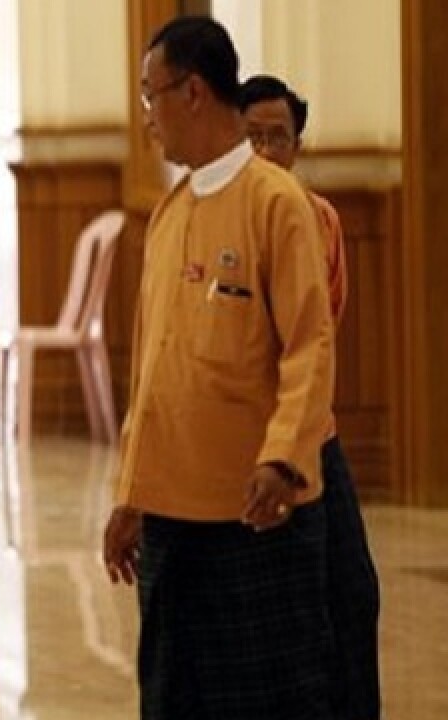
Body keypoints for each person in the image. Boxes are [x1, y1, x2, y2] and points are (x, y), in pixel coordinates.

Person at [102, 16, 337, 720]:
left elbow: (309, 346)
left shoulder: (276, 203)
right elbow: (152, 373)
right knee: (172, 698)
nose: (148, 119)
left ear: (194, 92)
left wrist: (282, 459)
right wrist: (129, 492)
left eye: (152, 98)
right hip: (171, 519)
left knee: (261, 701)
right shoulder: (171, 212)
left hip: (252, 514)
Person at [241, 73, 383, 720]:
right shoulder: (219, 212)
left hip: (312, 434)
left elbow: (316, 329)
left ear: (299, 144)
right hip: (243, 440)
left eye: (280, 138)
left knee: (351, 592)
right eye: (254, 137)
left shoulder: (318, 218)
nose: (268, 151)